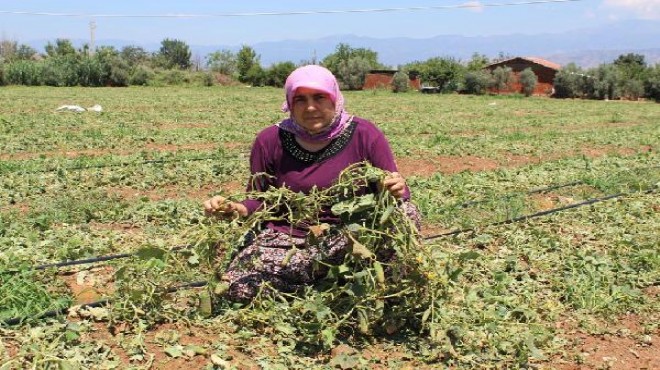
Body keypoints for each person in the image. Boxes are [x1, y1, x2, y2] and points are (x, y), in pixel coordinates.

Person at [203, 65, 420, 302]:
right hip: (289, 241)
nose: (310, 108)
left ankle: (341, 281)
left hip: (349, 238)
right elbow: (260, 200)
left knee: (404, 214)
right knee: (238, 287)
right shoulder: (270, 141)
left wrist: (394, 188)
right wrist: (235, 208)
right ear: (289, 103)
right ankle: (327, 285)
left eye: (319, 97)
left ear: (334, 98)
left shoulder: (365, 135)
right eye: (300, 100)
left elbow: (397, 192)